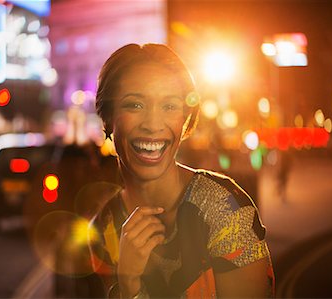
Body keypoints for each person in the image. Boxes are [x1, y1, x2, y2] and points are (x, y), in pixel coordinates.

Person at [84, 43, 275, 298]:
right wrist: (127, 282)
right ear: (108, 118)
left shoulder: (224, 209)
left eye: (169, 106)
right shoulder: (102, 229)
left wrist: (131, 287)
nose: (153, 125)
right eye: (135, 105)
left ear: (185, 121)